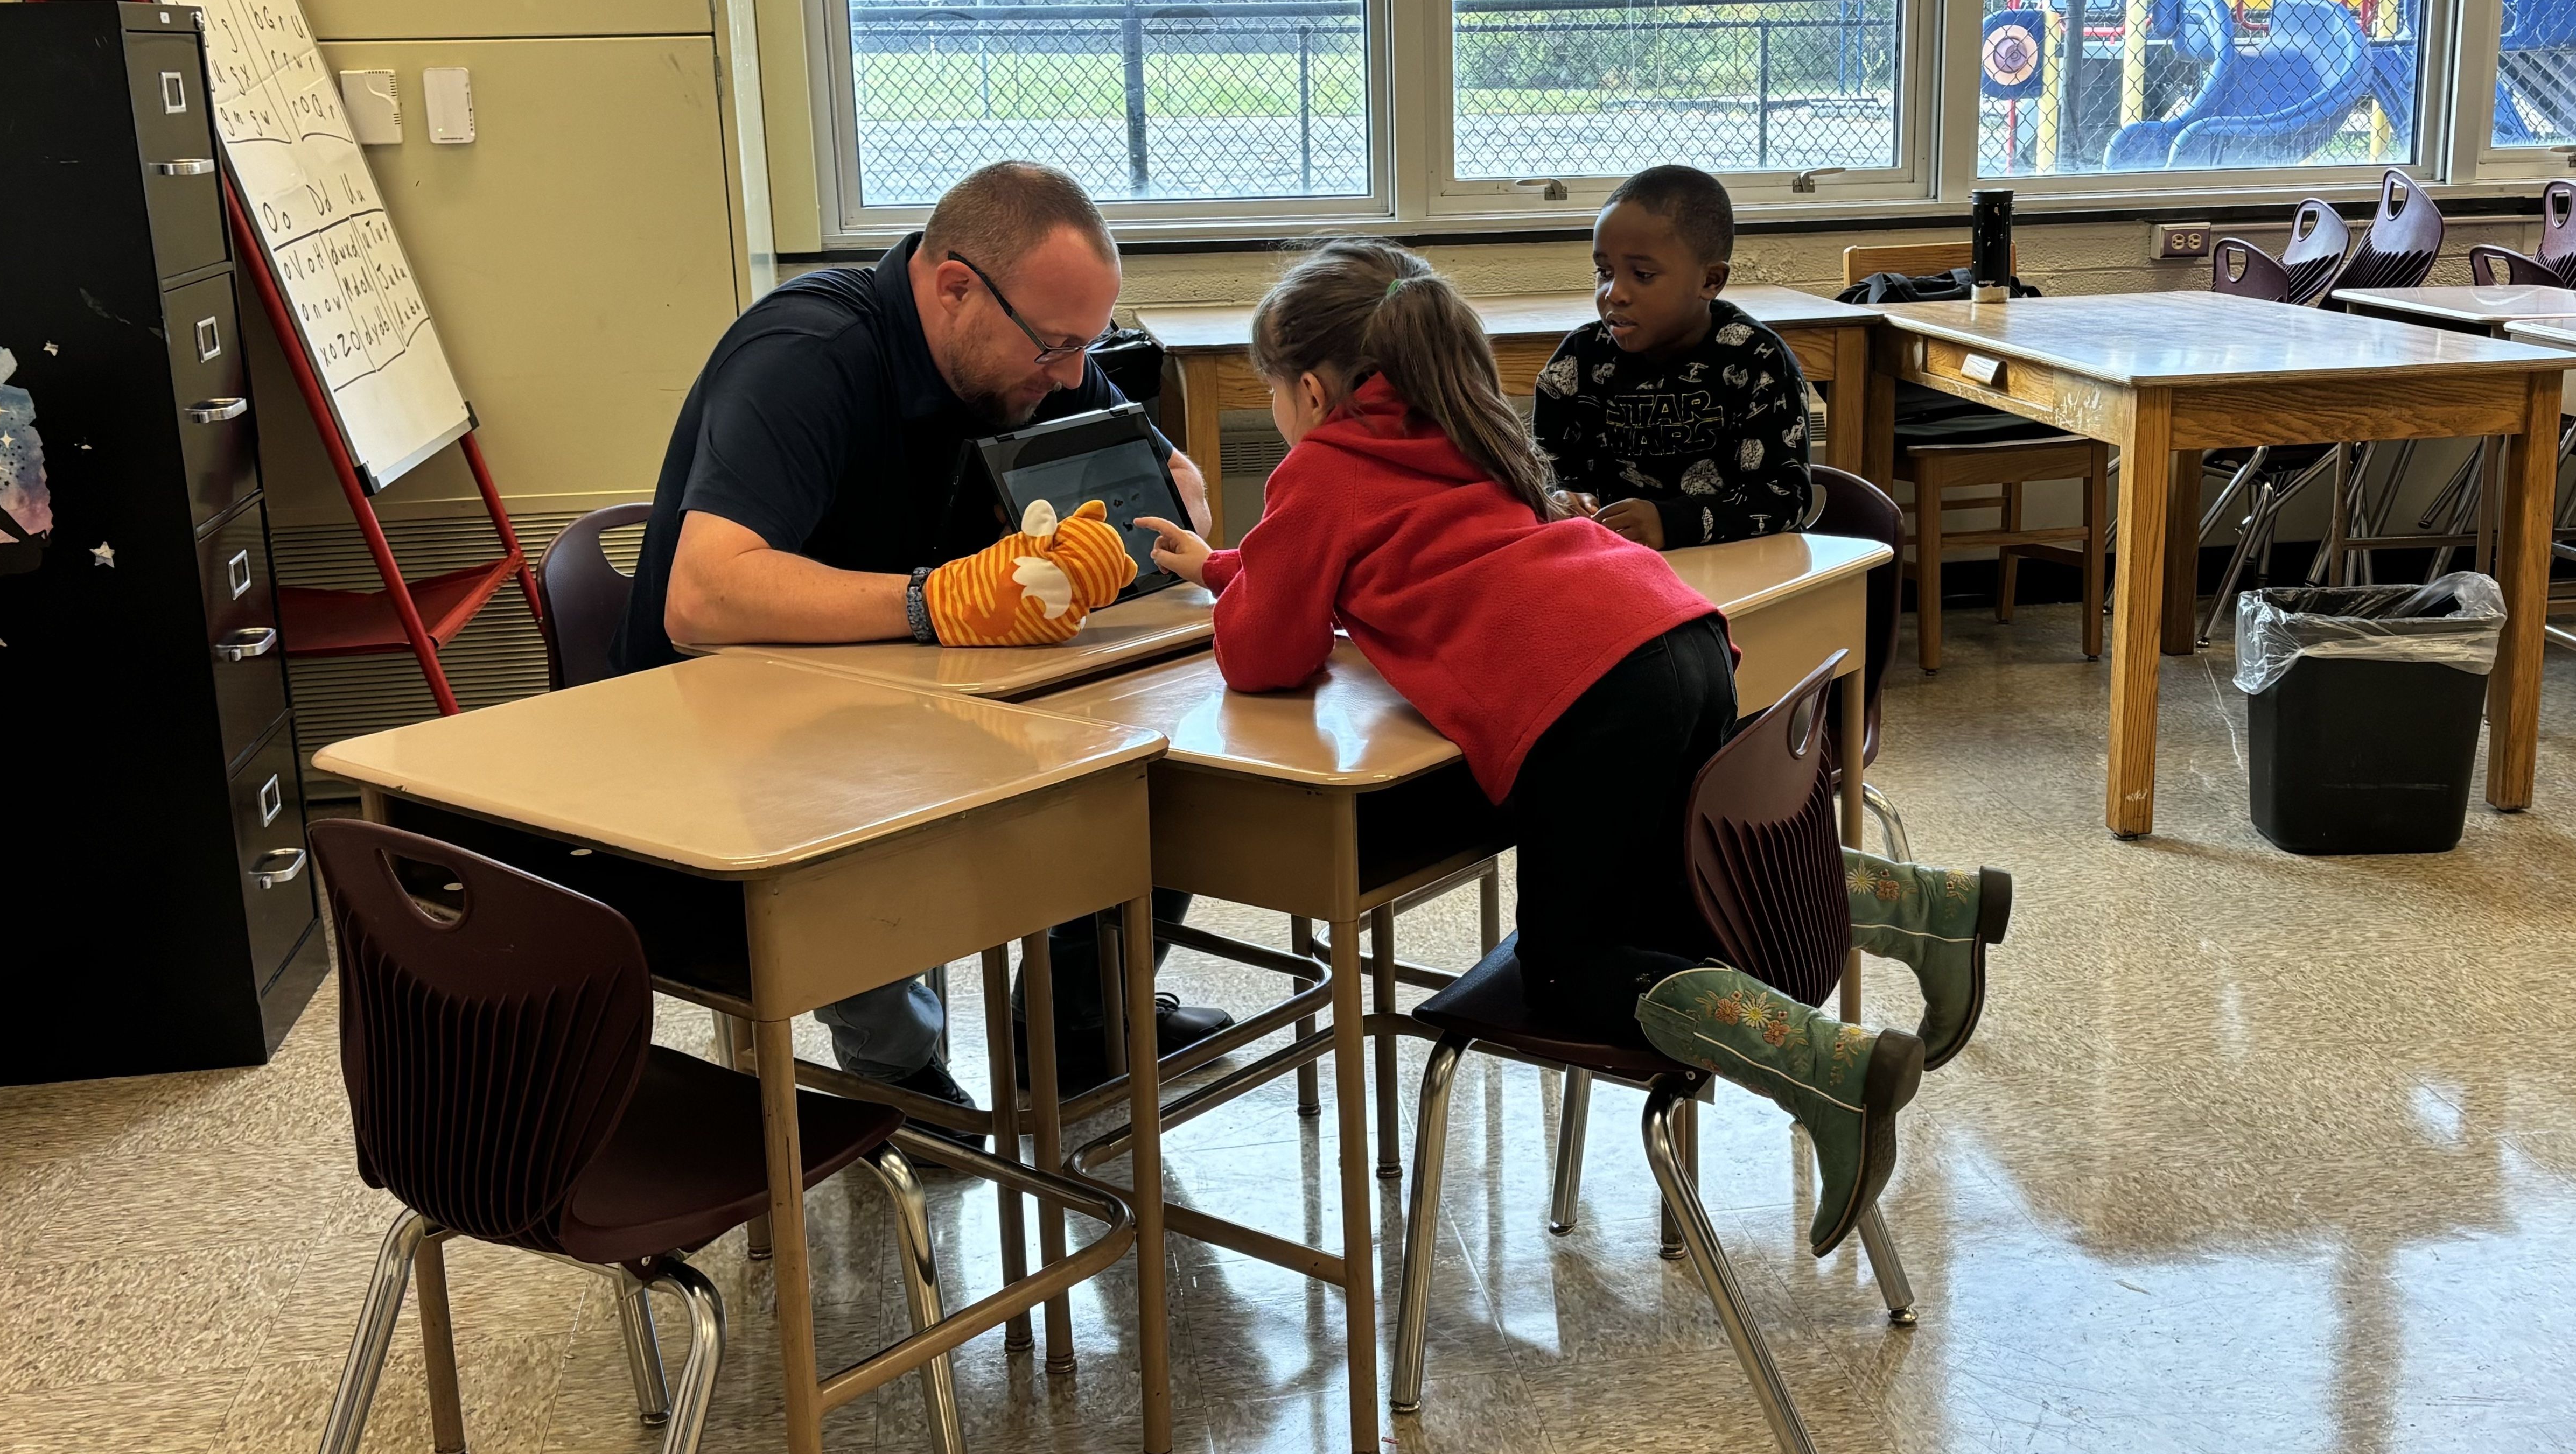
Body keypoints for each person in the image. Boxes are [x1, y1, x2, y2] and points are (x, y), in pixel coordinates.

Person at [1133, 239, 1998, 1258]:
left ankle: (1835, 1074)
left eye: (1273, 390)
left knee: (1569, 968)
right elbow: (1382, 543)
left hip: (1590, 697)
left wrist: (1232, 586)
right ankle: (1926, 907)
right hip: (1670, 634)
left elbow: (1267, 653)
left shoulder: (1318, 466)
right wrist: (1230, 561)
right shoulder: (1461, 423)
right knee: (1686, 878)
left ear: (1311, 390)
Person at [613, 160, 1228, 1140]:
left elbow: (1160, 497)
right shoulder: (804, 356)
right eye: (1056, 344)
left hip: (911, 686)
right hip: (738, 728)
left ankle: (1074, 1028)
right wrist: (934, 600)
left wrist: (1165, 509)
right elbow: (702, 594)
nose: (1073, 372)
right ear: (954, 289)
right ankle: (894, 1072)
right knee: (873, 793)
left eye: (1091, 342)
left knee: (1165, 742)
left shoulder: (1027, 361)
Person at [1532, 165, 1812, 551]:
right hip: (1613, 570)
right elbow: (1547, 473)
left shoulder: (1758, 361)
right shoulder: (1579, 362)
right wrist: (1560, 498)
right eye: (1604, 271)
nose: (1615, 293)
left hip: (1733, 569)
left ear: (1710, 281)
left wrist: (1671, 522)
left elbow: (1787, 497)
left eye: (1643, 274)